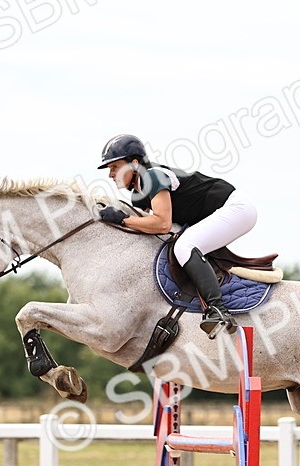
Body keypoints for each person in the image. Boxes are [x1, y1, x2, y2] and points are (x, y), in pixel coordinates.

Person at [96, 134, 257, 337]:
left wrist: (122, 219)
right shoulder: (137, 194)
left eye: (115, 167)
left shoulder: (152, 176)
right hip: (220, 213)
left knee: (185, 246)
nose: (111, 175)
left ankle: (217, 309)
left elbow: (162, 223)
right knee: (176, 244)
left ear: (134, 163)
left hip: (236, 208)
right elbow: (155, 228)